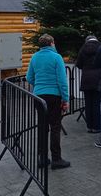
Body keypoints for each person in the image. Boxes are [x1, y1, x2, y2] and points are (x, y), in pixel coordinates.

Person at [26, 34, 70, 170]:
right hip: (54, 96)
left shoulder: (34, 57)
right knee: (55, 127)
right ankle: (57, 159)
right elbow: (62, 81)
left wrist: (39, 86)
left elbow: (29, 77)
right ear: (52, 43)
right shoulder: (57, 57)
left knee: (42, 127)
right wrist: (66, 99)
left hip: (39, 95)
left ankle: (42, 158)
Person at [76, 35, 101, 133]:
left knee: (88, 103)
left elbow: (78, 64)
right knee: (96, 103)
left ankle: (89, 126)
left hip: (86, 78)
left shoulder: (83, 48)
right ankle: (97, 126)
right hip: (98, 78)